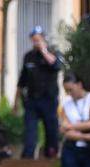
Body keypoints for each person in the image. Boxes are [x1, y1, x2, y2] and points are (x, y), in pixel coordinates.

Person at [15, 26, 62, 159]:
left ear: (43, 39)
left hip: (49, 100)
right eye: (34, 40)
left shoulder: (53, 52)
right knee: (30, 131)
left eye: (38, 40)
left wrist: (44, 50)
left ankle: (51, 156)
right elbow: (21, 81)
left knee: (51, 131)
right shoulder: (28, 56)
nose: (36, 43)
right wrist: (16, 102)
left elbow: (55, 65)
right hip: (32, 100)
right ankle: (28, 158)